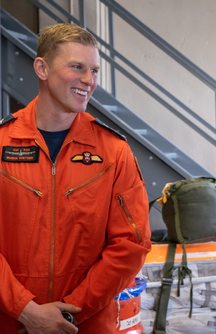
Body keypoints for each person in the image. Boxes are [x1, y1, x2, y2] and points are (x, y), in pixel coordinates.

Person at [0, 23, 151, 333]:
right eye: (77, 67)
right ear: (42, 68)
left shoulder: (113, 152)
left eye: (94, 70)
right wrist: (25, 310)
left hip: (85, 325)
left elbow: (131, 244)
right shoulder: (2, 144)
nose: (89, 80)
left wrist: (67, 316)